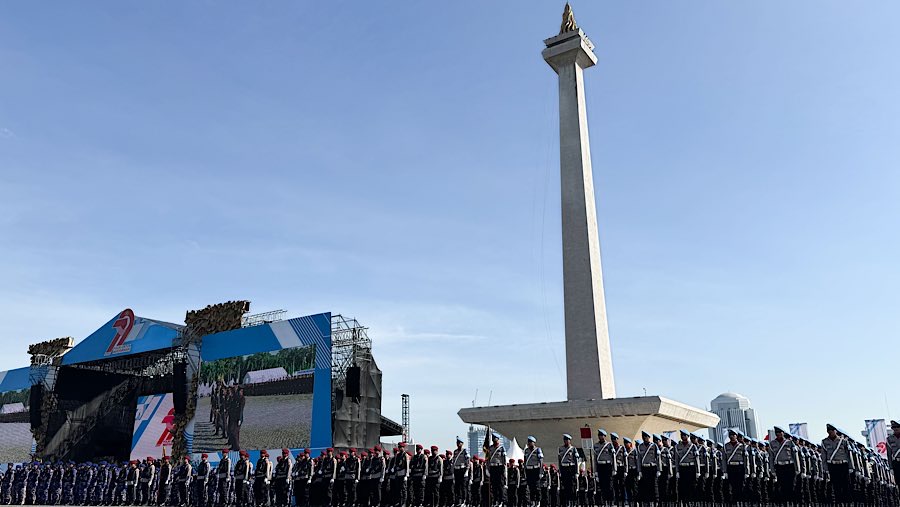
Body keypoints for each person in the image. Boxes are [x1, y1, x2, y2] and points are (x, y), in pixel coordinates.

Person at [768, 426, 799, 505]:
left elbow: (795, 456)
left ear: (783, 433)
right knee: (782, 486)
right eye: (777, 433)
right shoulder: (772, 444)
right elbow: (771, 458)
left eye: (780, 433)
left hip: (789, 466)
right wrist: (772, 470)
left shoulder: (789, 443)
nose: (778, 434)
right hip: (779, 467)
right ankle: (785, 503)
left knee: (791, 485)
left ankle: (792, 503)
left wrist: (797, 468)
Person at [591, 430, 614, 507]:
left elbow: (613, 458)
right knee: (602, 486)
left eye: (601, 435)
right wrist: (595, 472)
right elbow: (595, 459)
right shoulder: (596, 446)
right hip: (600, 467)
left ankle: (610, 502)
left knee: (609, 486)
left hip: (607, 467)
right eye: (599, 435)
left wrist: (614, 469)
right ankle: (605, 502)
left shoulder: (609, 445)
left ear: (604, 436)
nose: (600, 437)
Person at [557, 434, 578, 507]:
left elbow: (576, 461)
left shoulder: (573, 449)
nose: (566, 441)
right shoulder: (560, 448)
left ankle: (573, 501)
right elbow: (559, 461)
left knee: (572, 486)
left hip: (571, 468)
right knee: (565, 486)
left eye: (567, 440)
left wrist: (576, 472)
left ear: (569, 440)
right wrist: (560, 471)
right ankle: (567, 502)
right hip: (564, 468)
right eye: (564, 440)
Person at [487, 433, 507, 507]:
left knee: (500, 485)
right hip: (492, 468)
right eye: (493, 438)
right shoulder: (490, 448)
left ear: (498, 439)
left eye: (495, 438)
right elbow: (487, 459)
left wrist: (504, 469)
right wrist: (488, 469)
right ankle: (495, 501)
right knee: (494, 486)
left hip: (499, 467)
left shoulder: (502, 448)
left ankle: (501, 501)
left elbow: (504, 459)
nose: (494, 440)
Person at [523, 437, 543, 507]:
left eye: (530, 442)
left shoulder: (538, 450)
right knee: (531, 487)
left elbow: (541, 461)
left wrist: (540, 472)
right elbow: (525, 461)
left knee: (537, 486)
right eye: (528, 442)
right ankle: (532, 501)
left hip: (536, 470)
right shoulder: (526, 451)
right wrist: (525, 472)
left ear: (534, 443)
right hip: (529, 470)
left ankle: (538, 501)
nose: (529, 443)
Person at [451, 438, 471, 507]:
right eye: (457, 442)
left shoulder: (465, 451)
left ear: (462, 443)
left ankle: (464, 501)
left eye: (459, 443)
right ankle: (459, 501)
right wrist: (453, 472)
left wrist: (467, 471)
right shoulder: (455, 452)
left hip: (463, 470)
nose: (458, 444)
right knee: (457, 487)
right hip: (457, 470)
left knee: (463, 487)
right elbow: (453, 462)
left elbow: (468, 461)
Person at [888, 421, 900, 493]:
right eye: (894, 428)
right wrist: (891, 467)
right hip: (897, 464)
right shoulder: (889, 439)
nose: (895, 429)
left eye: (897, 428)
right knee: (899, 483)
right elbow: (889, 455)